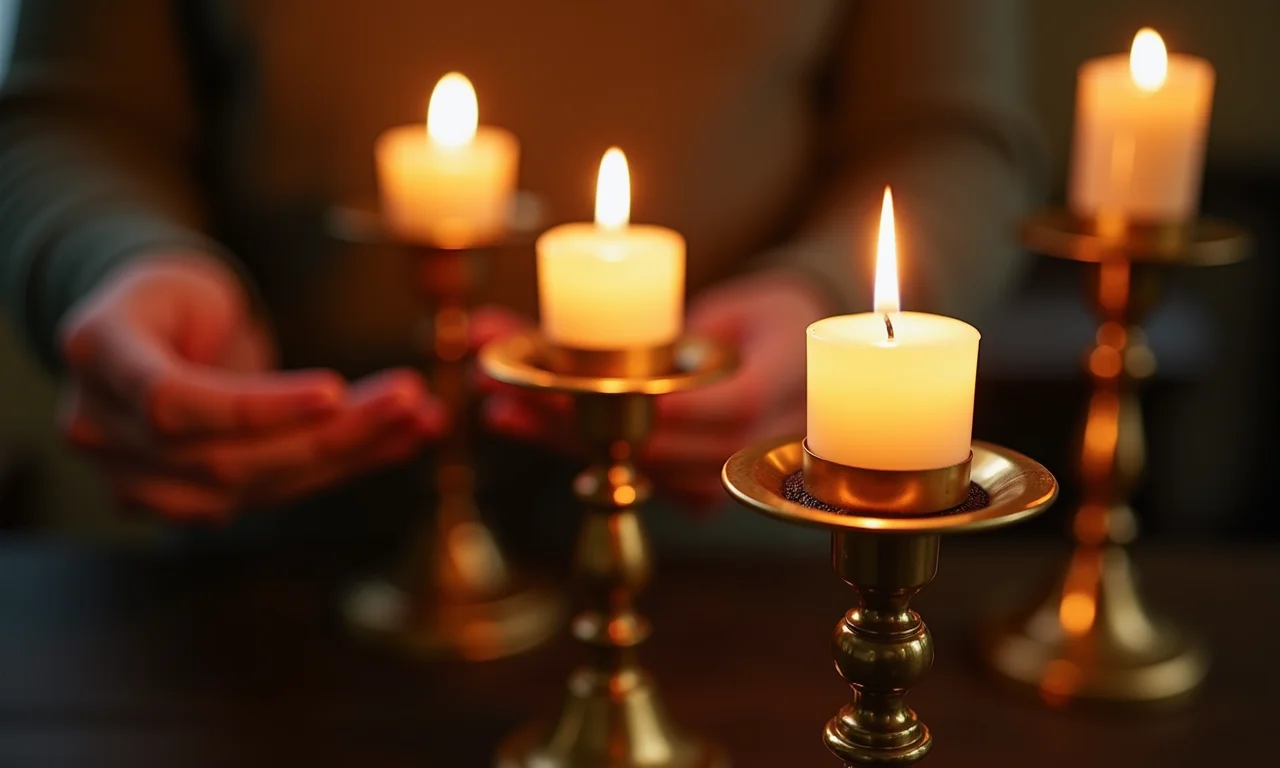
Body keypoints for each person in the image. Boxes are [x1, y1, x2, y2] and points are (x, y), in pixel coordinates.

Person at [0, 1, 1042, 523]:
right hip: (270, 557)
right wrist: (121, 263)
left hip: (743, 560)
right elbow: (74, 113)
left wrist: (814, 305)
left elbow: (951, 129)